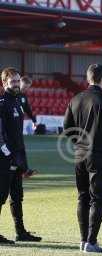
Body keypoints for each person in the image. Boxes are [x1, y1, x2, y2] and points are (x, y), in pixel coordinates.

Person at [63, 64, 102, 253]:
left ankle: (82, 240)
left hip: (79, 154)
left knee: (82, 197)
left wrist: (79, 142)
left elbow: (66, 128)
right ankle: (92, 241)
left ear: (88, 79)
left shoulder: (75, 99)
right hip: (99, 154)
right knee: (98, 199)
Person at [0, 67, 42, 243]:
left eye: (18, 81)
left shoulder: (18, 101)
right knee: (0, 196)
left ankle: (21, 232)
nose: (17, 84)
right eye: (13, 81)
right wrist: (7, 154)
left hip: (17, 158)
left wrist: (24, 164)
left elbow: (18, 137)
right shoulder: (2, 102)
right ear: (4, 83)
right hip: (4, 158)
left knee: (17, 196)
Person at [18, 76, 38, 178]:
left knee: (21, 149)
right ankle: (24, 171)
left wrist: (34, 120)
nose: (25, 89)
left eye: (27, 88)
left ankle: (25, 171)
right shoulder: (10, 95)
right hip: (9, 128)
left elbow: (28, 109)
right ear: (19, 83)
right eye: (24, 87)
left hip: (18, 128)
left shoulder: (23, 96)